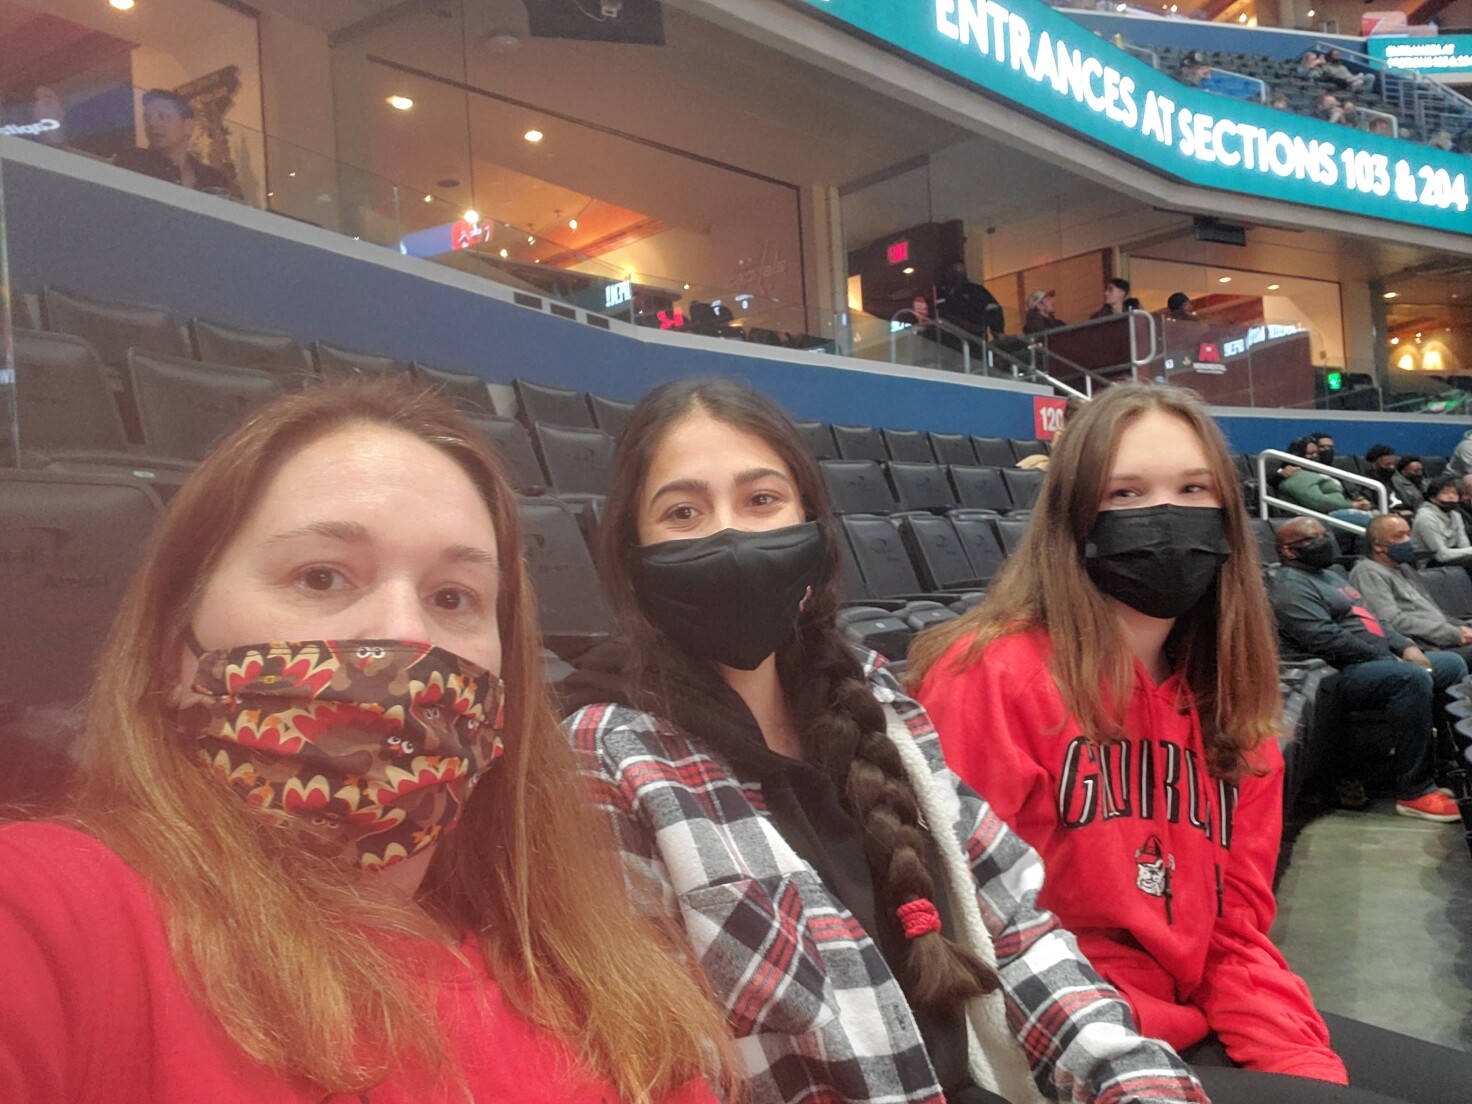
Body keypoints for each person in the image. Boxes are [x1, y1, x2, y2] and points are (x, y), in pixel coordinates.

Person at [0, 380, 734, 1104]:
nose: (405, 634)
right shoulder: (48, 924)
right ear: (173, 647)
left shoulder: (598, 990)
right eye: (321, 577)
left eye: (453, 597)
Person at [565, 377, 1207, 1104]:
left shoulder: (873, 693)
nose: (731, 537)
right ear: (632, 552)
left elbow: (1016, 931)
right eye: (683, 512)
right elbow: (662, 1064)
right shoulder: (604, 756)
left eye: (761, 500)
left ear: (813, 530)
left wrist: (1133, 1082)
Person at [909, 384, 1472, 1101]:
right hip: (1050, 1044)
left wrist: (1297, 1060)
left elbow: (1234, 933)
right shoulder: (988, 676)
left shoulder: (1229, 695)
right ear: (1074, 519)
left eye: (1192, 489)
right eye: (1126, 492)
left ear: (1228, 518)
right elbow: (971, 934)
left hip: (1189, 1014)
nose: (1166, 516)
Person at [1271, 516, 1463, 824]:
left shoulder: (1331, 575)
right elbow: (1324, 638)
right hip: (1336, 672)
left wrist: (1405, 646)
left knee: (1451, 665)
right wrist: (1388, 658)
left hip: (1375, 660)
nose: (1324, 542)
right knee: (1409, 678)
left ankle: (1447, 767)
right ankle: (1414, 791)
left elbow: (1374, 619)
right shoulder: (1288, 586)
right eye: (1311, 539)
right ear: (1288, 551)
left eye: (1324, 534)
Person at [1350, 514, 1472, 664]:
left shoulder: (1403, 568)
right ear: (1377, 545)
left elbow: (1432, 611)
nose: (1408, 541)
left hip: (1446, 637)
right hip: (1423, 647)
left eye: (1409, 534)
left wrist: (1462, 626)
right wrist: (1453, 634)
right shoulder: (1368, 572)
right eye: (1399, 536)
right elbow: (1391, 621)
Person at [113, 88, 235, 195]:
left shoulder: (213, 178)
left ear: (188, 126)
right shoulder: (132, 162)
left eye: (162, 117)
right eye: (147, 118)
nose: (152, 123)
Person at [1275, 437, 1374, 527]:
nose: (1315, 456)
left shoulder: (1323, 472)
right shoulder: (1297, 476)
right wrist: (1353, 505)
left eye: (1316, 453)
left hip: (1337, 511)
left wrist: (1358, 500)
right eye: (1310, 454)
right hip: (1319, 517)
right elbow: (1318, 502)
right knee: (1373, 523)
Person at [1411, 474, 1472, 569]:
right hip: (1430, 563)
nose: (1451, 496)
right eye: (1445, 493)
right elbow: (1441, 555)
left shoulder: (1455, 515)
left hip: (1454, 557)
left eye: (1455, 493)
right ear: (1432, 497)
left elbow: (1464, 545)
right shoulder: (1425, 517)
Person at [935, 260, 1006, 340]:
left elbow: (993, 308)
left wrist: (998, 330)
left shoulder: (977, 290)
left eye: (962, 273)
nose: (960, 277)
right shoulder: (941, 295)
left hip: (978, 338)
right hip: (954, 339)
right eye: (956, 274)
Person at [1364, 444, 1408, 514]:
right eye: (1387, 465)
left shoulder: (1398, 479)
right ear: (1374, 465)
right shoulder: (1367, 484)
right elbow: (1371, 506)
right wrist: (1398, 513)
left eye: (1393, 464)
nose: (1392, 467)